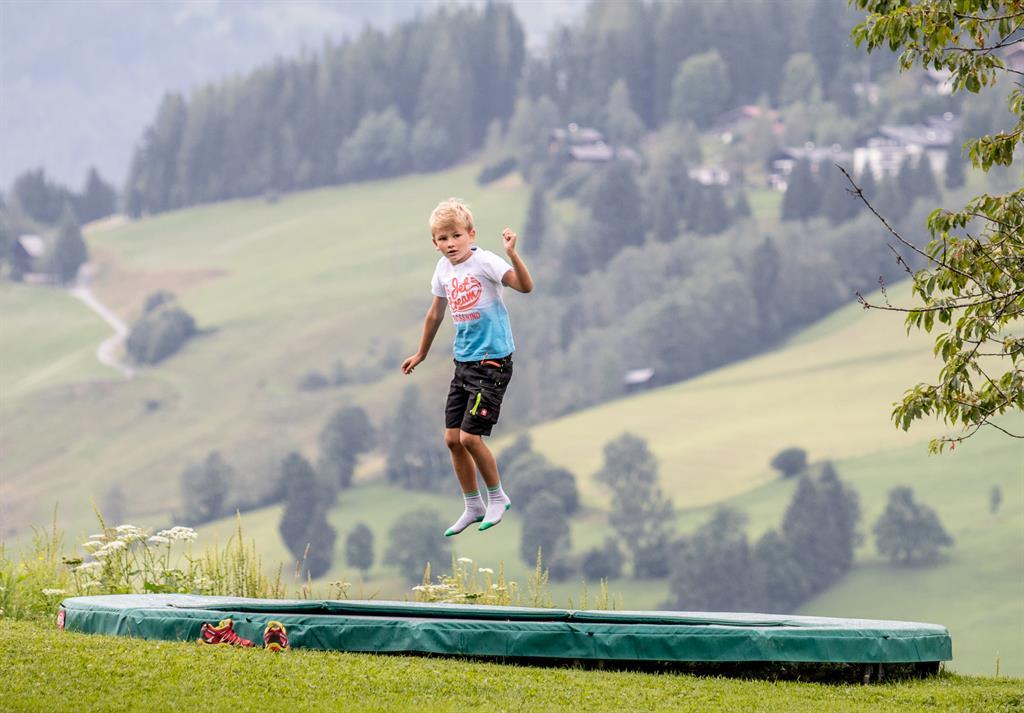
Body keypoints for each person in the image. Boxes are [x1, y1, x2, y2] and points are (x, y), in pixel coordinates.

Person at [401, 198, 533, 536]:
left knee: (470, 437)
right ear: (435, 243)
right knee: (452, 439)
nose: (450, 244)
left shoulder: (485, 262)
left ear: (471, 234)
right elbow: (435, 314)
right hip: (464, 362)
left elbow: (524, 286)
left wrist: (512, 255)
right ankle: (473, 505)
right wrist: (421, 353)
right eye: (443, 238)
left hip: (492, 362)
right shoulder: (443, 270)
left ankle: (497, 497)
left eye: (456, 236)